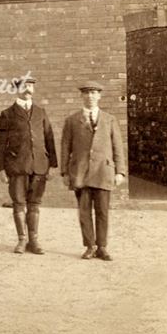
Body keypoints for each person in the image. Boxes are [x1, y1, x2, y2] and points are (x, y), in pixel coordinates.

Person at [60, 81, 126, 261]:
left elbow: (117, 147)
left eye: (94, 93)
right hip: (80, 173)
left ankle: (102, 247)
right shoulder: (72, 120)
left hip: (103, 171)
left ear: (99, 96)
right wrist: (65, 172)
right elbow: (65, 147)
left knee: (102, 211)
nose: (90, 96)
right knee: (84, 211)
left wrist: (120, 171)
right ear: (82, 96)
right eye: (86, 93)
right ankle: (90, 246)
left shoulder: (109, 119)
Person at [0, 76, 57, 254]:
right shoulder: (7, 114)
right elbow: (0, 144)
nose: (28, 89)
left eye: (30, 86)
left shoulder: (41, 112)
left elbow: (49, 138)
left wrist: (52, 164)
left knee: (35, 203)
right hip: (16, 166)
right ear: (17, 89)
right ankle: (22, 240)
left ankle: (34, 240)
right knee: (19, 203)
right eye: (24, 86)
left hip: (39, 165)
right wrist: (0, 168)